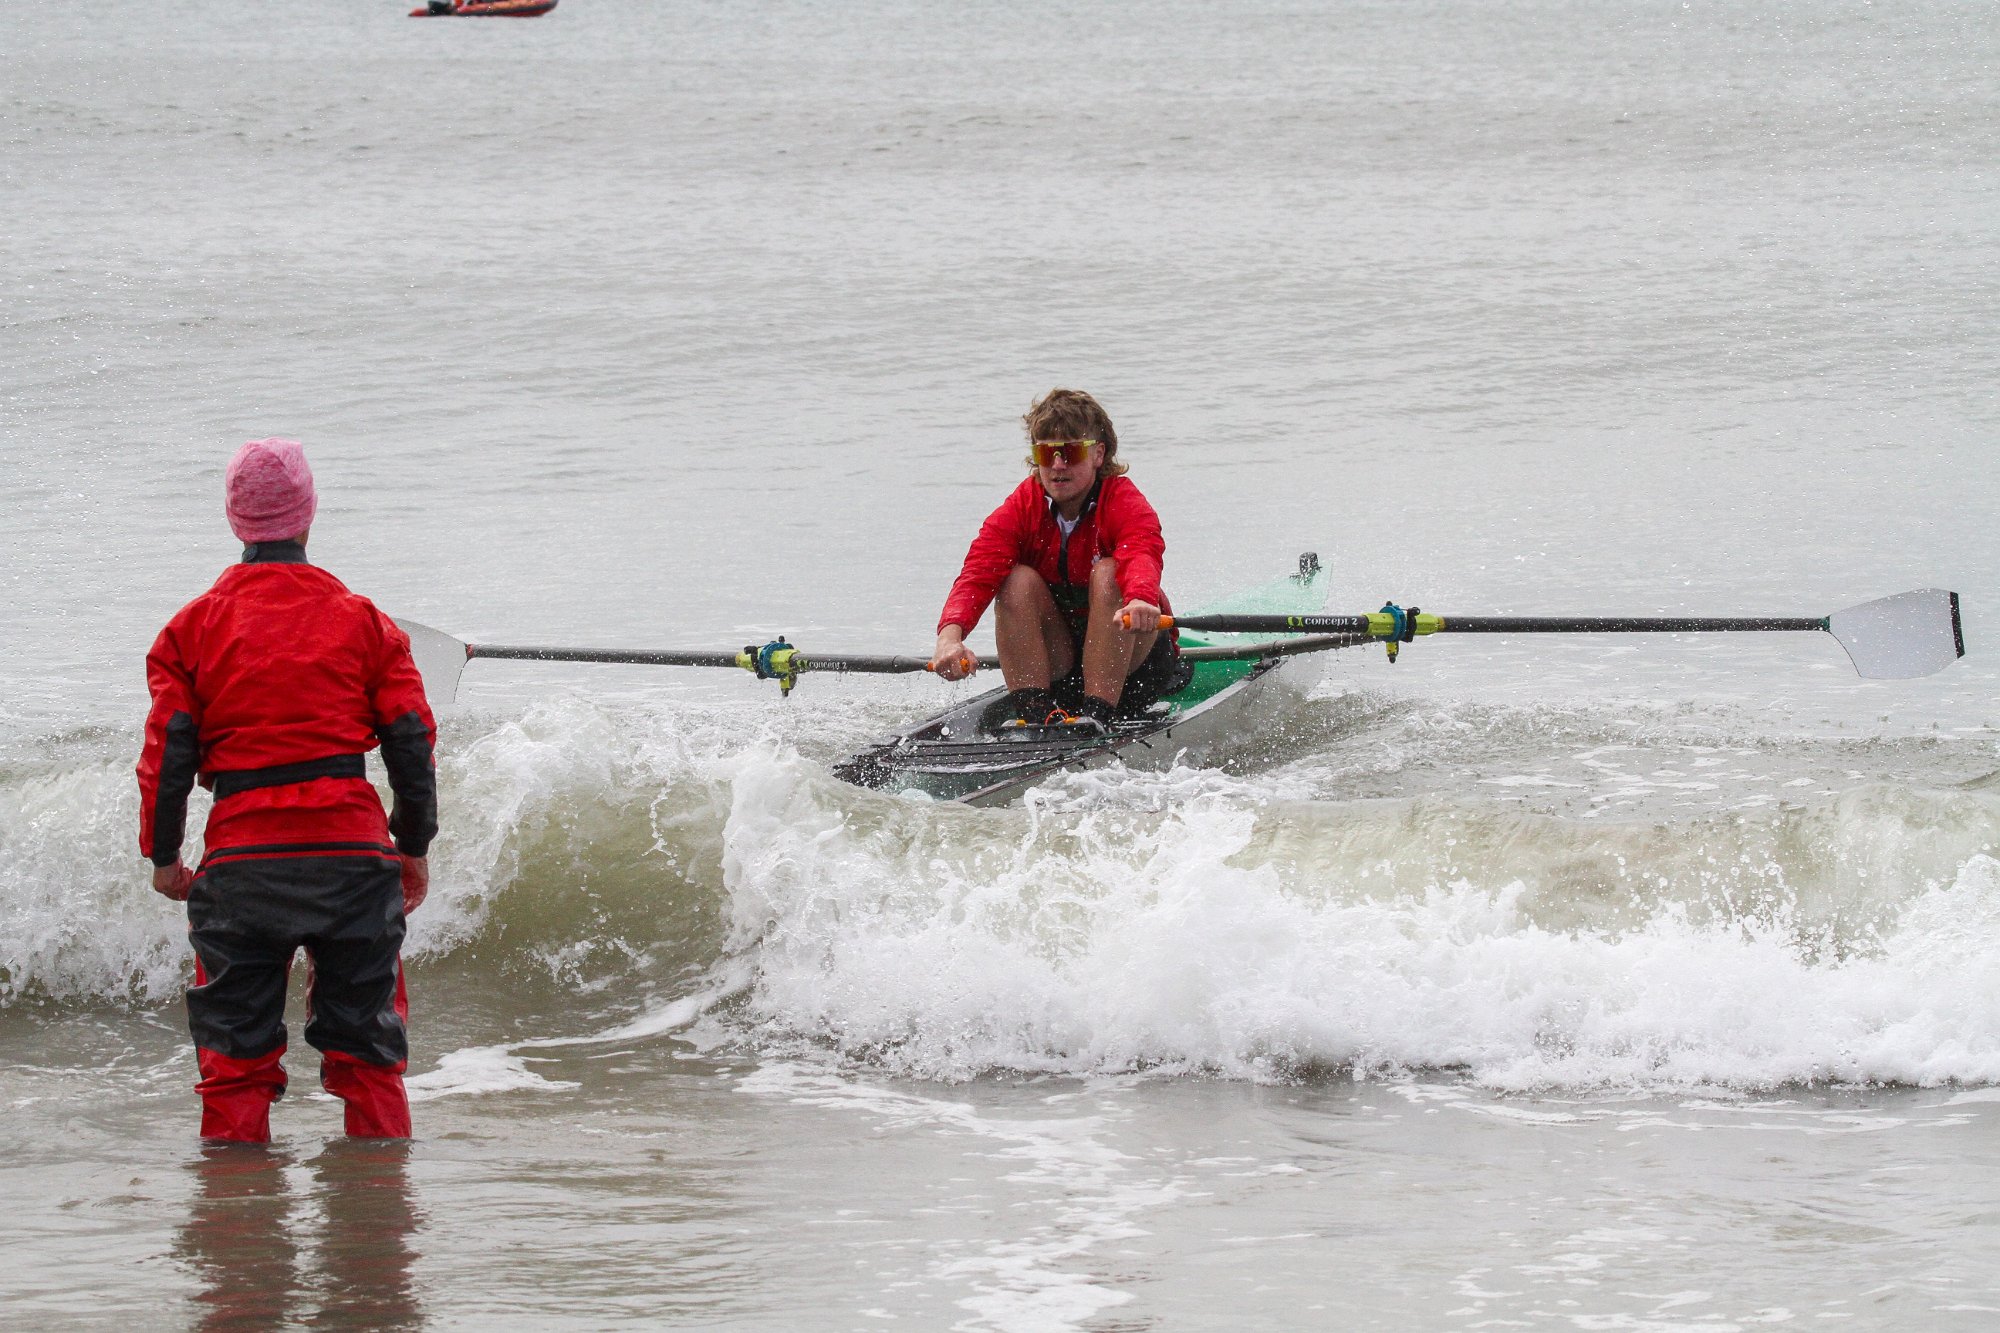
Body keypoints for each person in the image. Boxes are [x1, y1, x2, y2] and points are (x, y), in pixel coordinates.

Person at [136, 438, 438, 1143]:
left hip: (242, 867)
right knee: (369, 1059)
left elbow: (168, 748)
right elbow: (411, 740)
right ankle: (376, 1230)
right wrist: (411, 845)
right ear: (308, 515)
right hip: (354, 863)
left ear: (236, 520)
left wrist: (163, 857)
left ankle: (238, 1234)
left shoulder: (190, 628)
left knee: (234, 1068)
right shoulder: (364, 621)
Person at [930, 389, 1190, 731]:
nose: (1057, 465)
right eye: (1045, 452)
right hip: (1064, 666)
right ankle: (1037, 715)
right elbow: (978, 572)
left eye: (1069, 452)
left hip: (1134, 667)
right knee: (1014, 581)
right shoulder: (1023, 506)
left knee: (1110, 572)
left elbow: (1141, 551)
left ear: (1098, 454)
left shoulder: (1122, 500)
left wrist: (1140, 597)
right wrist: (949, 638)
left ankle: (1097, 716)